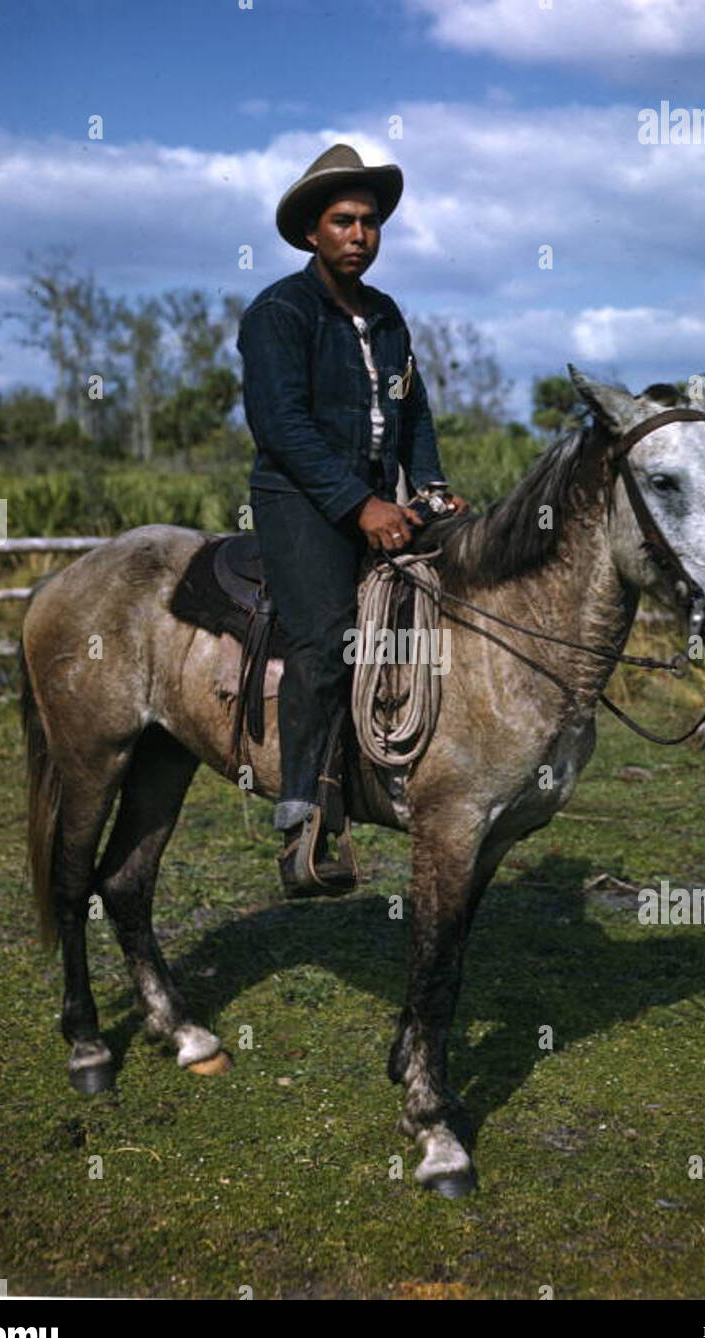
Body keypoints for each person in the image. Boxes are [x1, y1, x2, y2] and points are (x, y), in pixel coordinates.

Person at [236, 143, 467, 897]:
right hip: (300, 500)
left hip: (376, 497)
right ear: (312, 232)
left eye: (369, 222)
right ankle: (304, 807)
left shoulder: (388, 316)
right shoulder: (279, 312)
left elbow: (415, 408)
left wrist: (428, 485)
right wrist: (358, 504)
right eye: (343, 221)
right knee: (326, 636)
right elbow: (282, 426)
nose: (359, 234)